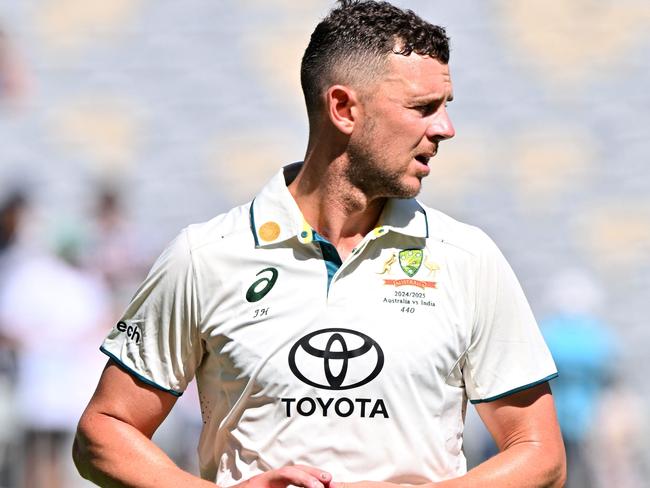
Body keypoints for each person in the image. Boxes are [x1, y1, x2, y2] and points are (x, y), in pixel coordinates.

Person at [73, 1, 566, 487]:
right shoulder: (205, 256)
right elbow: (105, 431)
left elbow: (540, 455)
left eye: (445, 108)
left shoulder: (467, 258)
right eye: (423, 108)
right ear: (343, 108)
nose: (445, 129)